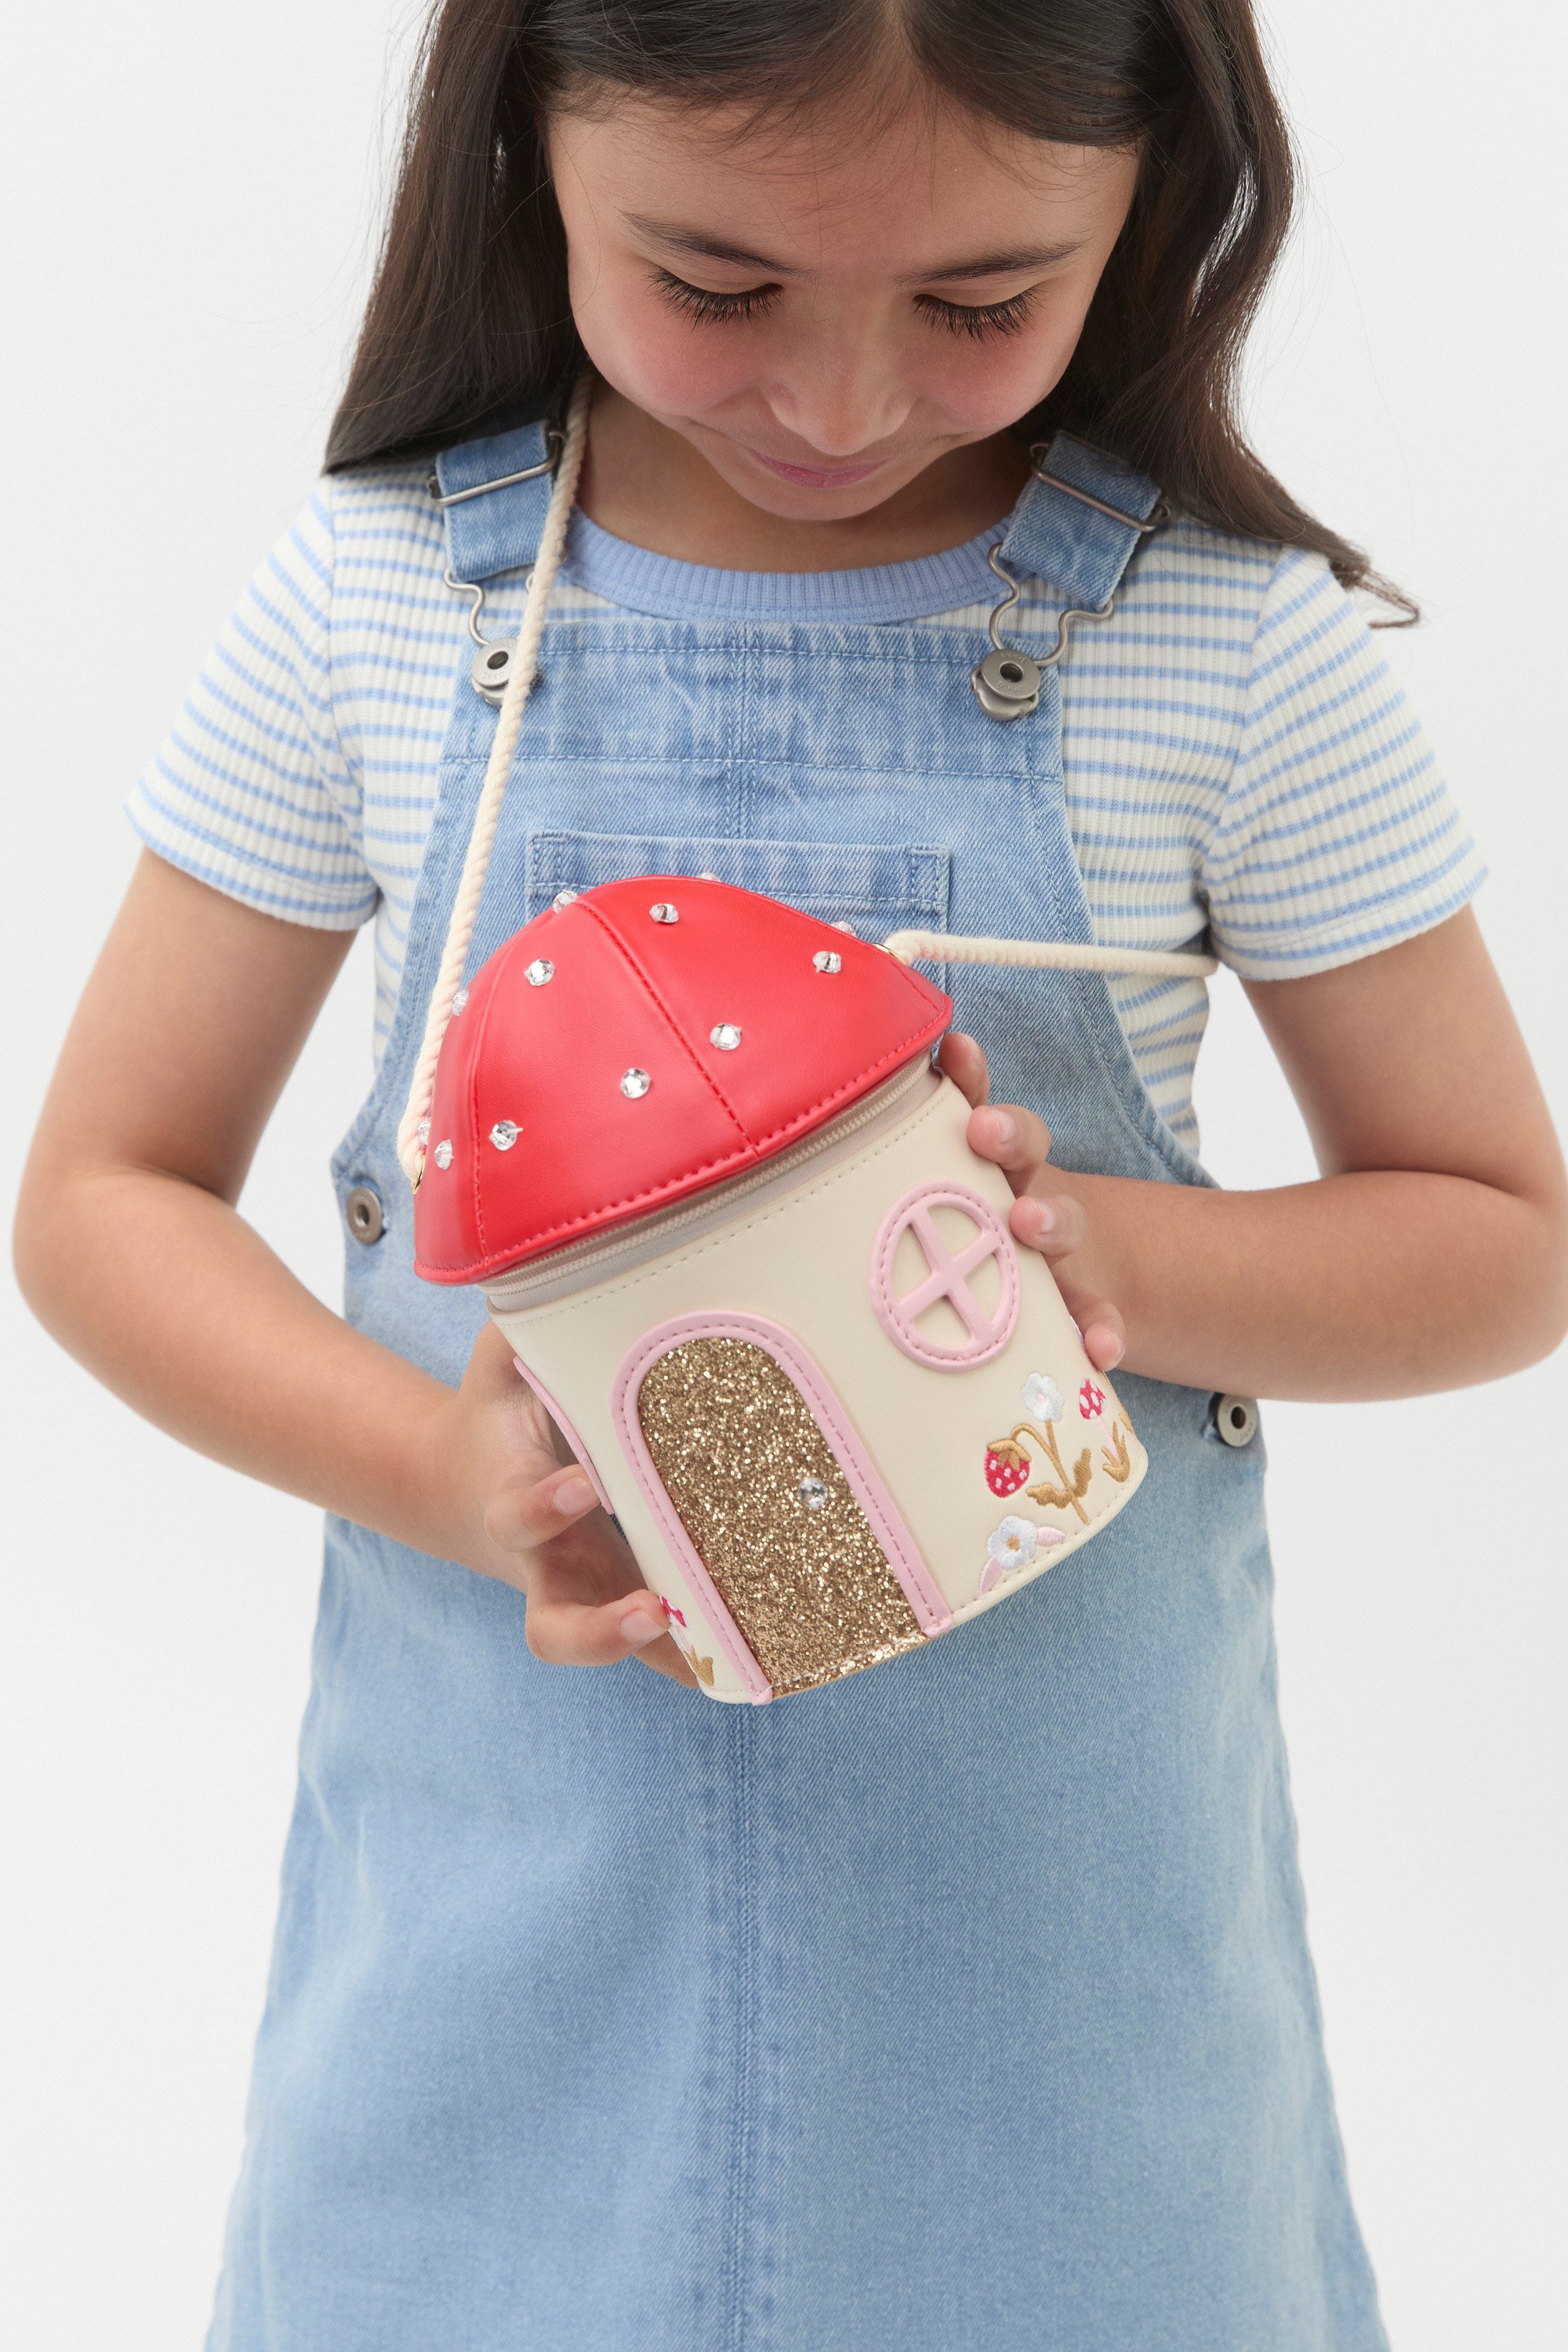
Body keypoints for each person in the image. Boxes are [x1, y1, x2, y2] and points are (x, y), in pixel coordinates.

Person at [14, 2, 1566, 2345]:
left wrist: (1085, 1253)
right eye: (719, 284)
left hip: (1059, 2019)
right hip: (492, 1983)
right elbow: (104, 1190)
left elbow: (1500, 1237)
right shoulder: (377, 605)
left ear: (1153, 197)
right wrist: (437, 1472)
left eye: (981, 301)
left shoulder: (1225, 650)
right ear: (531, 139)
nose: (841, 405)